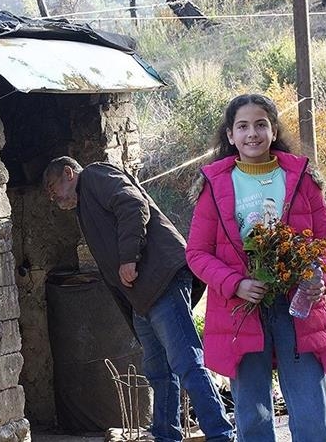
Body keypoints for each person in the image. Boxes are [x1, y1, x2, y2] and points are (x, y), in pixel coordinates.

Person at [44, 157, 235, 442]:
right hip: (142, 295)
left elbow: (133, 204)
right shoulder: (84, 205)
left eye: (52, 188)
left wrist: (129, 258)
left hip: (160, 280)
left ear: (69, 173)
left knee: (186, 360)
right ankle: (166, 436)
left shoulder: (95, 175)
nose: (53, 197)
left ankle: (221, 435)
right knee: (159, 370)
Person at [186, 93, 326, 441]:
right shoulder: (214, 185)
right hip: (241, 311)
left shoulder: (301, 177)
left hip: (299, 307)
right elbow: (197, 253)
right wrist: (236, 284)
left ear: (273, 131)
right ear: (230, 135)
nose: (252, 133)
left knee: (312, 415)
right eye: (242, 126)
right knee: (252, 418)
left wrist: (322, 277)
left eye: (260, 124)